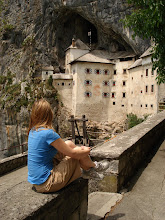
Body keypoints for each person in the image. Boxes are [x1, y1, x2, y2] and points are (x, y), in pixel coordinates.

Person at [27, 99, 109, 193]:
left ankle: (89, 170)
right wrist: (86, 150)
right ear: (50, 114)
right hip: (47, 183)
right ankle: (94, 167)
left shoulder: (33, 130)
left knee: (69, 143)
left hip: (37, 182)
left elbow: (67, 147)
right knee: (75, 155)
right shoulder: (48, 133)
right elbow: (74, 154)